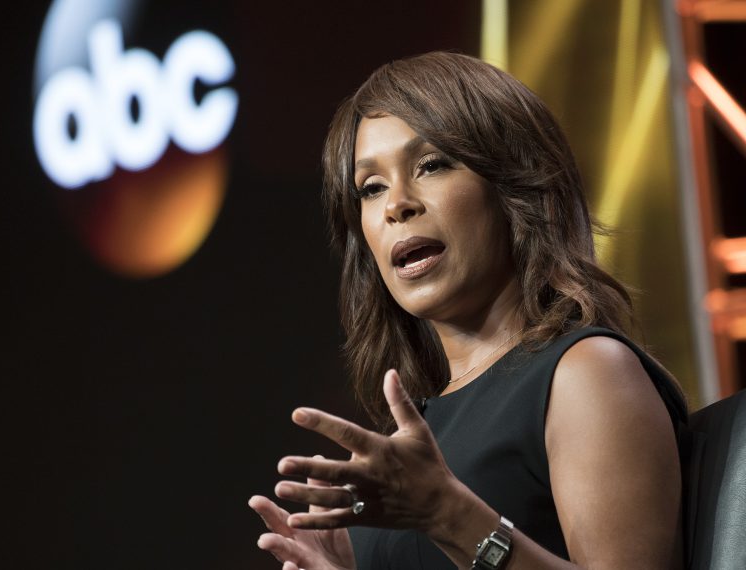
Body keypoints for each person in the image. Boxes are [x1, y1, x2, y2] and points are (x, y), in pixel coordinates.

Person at [248, 51, 687, 570]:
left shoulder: (586, 373)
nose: (396, 205)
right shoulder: (418, 431)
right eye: (371, 188)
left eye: (431, 165)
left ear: (513, 187)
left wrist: (449, 516)